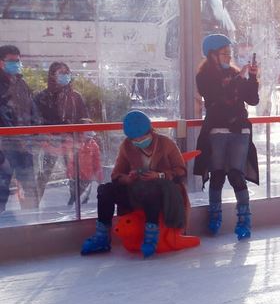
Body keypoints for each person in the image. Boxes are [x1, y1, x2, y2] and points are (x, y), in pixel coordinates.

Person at [80, 111, 188, 258]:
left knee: (152, 190)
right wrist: (128, 178)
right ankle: (102, 236)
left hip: (160, 192)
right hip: (136, 190)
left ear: (150, 131)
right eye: (134, 139)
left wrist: (159, 175)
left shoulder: (165, 143)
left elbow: (181, 171)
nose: (138, 141)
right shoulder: (127, 146)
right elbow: (116, 174)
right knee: (105, 190)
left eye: (141, 137)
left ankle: (151, 235)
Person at [194, 34, 260, 239]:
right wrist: (238, 79)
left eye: (229, 53)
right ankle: (214, 217)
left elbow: (252, 99)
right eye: (224, 53)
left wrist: (252, 78)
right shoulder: (204, 76)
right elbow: (215, 96)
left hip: (240, 130)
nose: (228, 57)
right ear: (212, 54)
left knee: (236, 175)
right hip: (217, 131)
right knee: (217, 175)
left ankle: (244, 221)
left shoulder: (234, 73)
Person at [33, 62, 90, 204]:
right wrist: (50, 134)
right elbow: (35, 120)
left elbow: (84, 118)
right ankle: (33, 205)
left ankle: (76, 204)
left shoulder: (75, 97)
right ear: (52, 75)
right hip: (50, 143)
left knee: (75, 173)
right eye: (61, 73)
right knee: (44, 174)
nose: (65, 76)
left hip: (71, 142)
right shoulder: (42, 97)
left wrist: (82, 134)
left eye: (67, 72)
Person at [0, 44, 40, 213]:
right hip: (5, 145)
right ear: (1, 62)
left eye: (18, 61)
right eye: (12, 61)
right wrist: (16, 137)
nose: (16, 64)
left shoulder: (21, 83)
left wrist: (37, 131)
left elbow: (32, 108)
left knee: (29, 185)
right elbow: (3, 115)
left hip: (25, 144)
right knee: (2, 185)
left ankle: (32, 219)